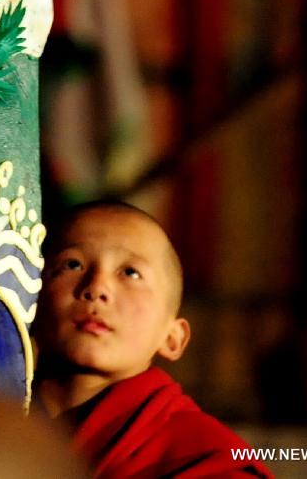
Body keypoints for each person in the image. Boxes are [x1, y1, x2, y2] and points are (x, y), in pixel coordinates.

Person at [33, 201, 274, 478]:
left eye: (130, 272)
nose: (97, 287)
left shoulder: (199, 458)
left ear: (173, 337)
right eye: (72, 264)